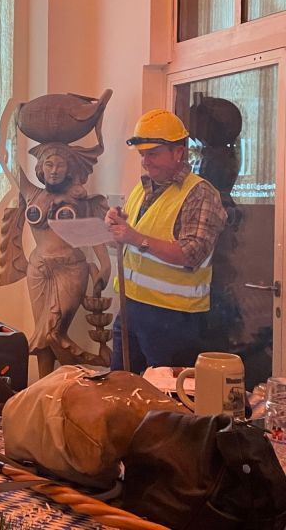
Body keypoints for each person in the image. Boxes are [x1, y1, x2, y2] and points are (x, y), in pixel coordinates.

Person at [106, 109, 227, 373]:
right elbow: (132, 239)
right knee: (120, 388)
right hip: (131, 308)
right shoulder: (143, 188)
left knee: (167, 395)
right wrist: (117, 225)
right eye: (142, 154)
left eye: (153, 154)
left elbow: (191, 254)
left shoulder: (200, 194)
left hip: (173, 319)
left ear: (178, 152)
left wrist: (135, 237)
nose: (145, 162)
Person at [17, 144, 111, 377]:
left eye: (60, 165)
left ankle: (71, 379)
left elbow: (92, 233)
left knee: (53, 331)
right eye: (49, 164)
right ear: (41, 168)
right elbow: (10, 168)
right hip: (38, 269)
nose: (54, 170)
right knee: (43, 334)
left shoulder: (79, 199)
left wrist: (105, 263)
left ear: (69, 170)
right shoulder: (32, 193)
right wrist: (3, 142)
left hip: (70, 268)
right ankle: (45, 384)